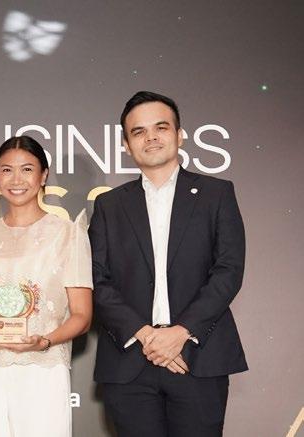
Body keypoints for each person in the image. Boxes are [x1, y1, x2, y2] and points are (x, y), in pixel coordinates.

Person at [89, 91, 247, 437]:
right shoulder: (109, 206)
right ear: (126, 145)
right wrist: (149, 337)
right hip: (130, 361)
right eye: (139, 131)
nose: (151, 137)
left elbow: (228, 270)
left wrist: (180, 332)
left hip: (198, 357)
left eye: (161, 127)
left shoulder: (217, 194)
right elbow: (97, 280)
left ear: (180, 135)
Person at [0, 136, 93, 437]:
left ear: (43, 176)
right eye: (7, 170)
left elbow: (82, 316)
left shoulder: (68, 234)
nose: (16, 179)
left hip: (42, 370)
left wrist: (44, 341)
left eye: (27, 169)